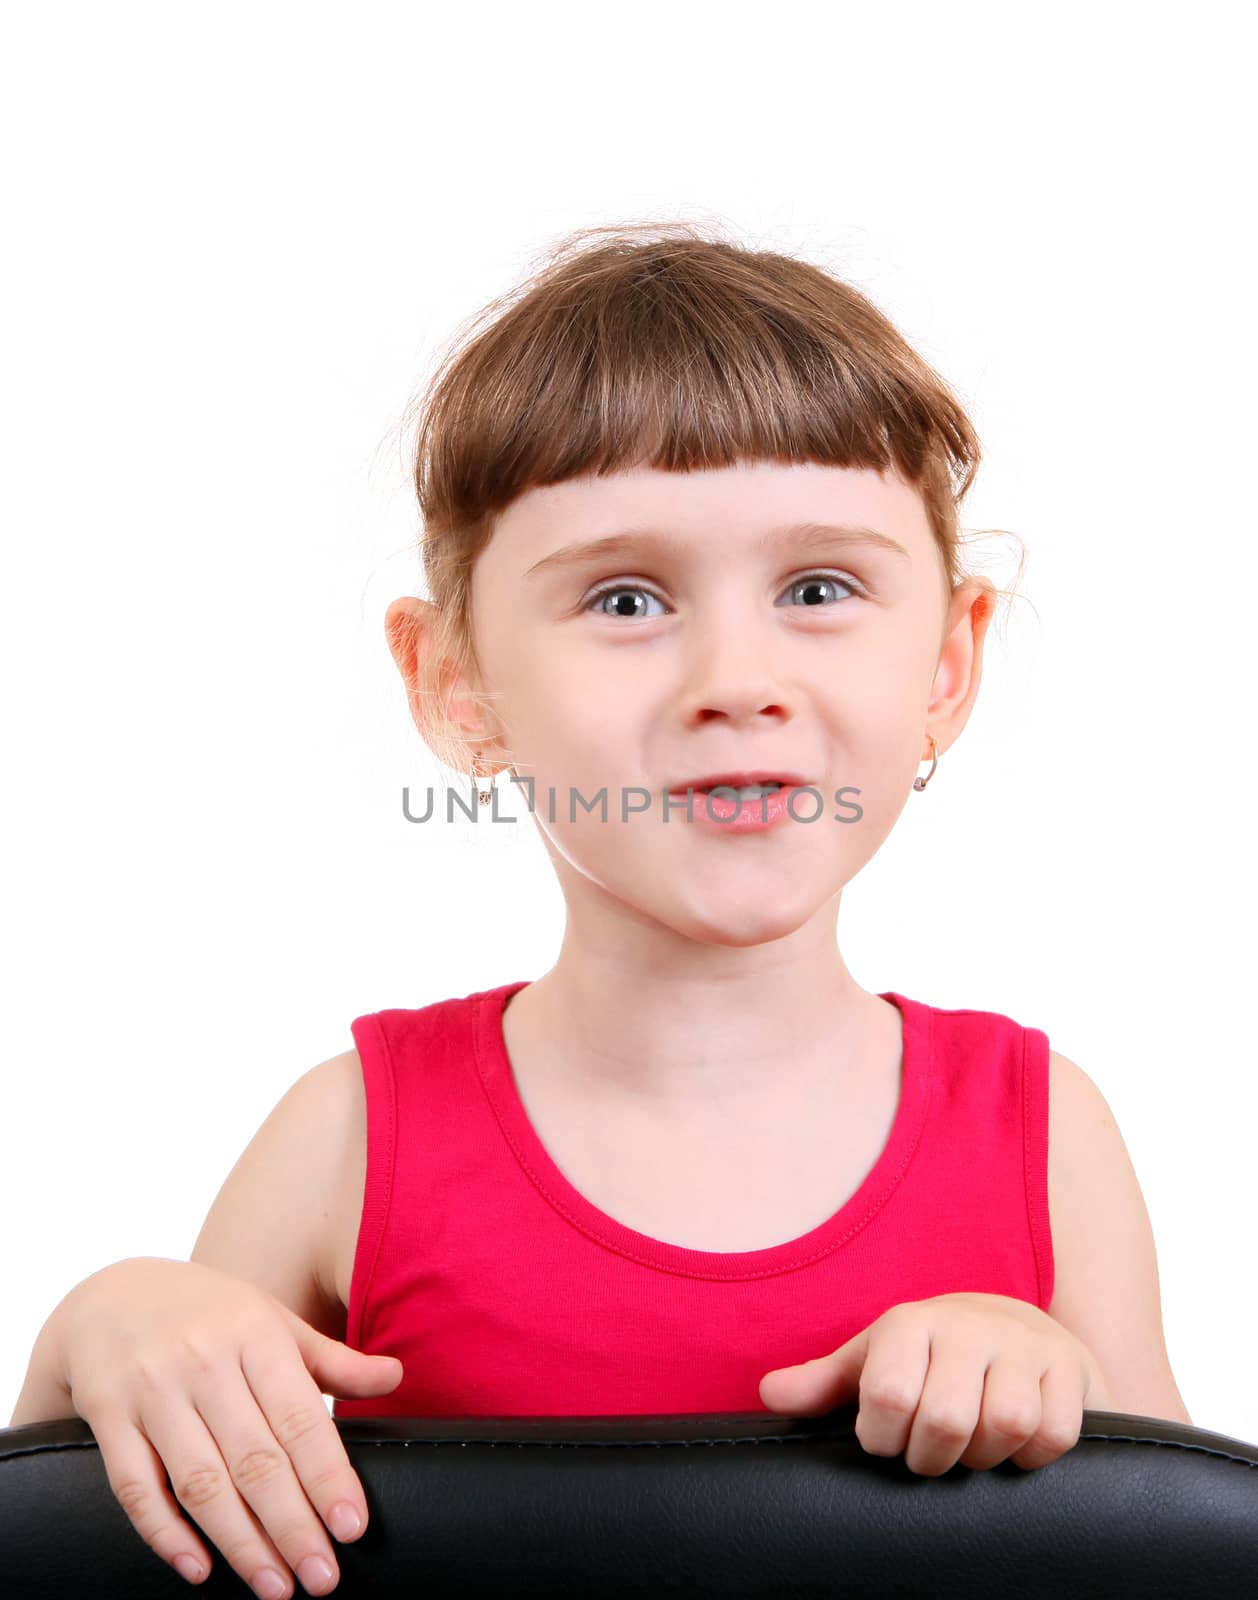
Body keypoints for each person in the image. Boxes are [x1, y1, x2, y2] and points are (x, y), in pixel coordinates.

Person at [8, 221, 1192, 1599]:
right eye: (626, 598)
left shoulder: (1041, 1133)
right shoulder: (348, 1137)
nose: (733, 675)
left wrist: (1057, 1398)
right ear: (457, 684)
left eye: (819, 587)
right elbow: (106, 1547)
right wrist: (102, 1329)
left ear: (946, 663)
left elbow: (1174, 1550)